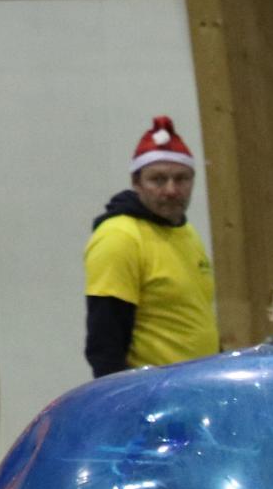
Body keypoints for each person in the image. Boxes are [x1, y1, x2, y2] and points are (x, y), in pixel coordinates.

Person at [84, 115, 221, 378]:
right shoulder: (120, 237)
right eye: (158, 179)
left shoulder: (185, 232)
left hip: (198, 385)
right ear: (136, 183)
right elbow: (105, 342)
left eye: (181, 179)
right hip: (155, 391)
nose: (171, 190)